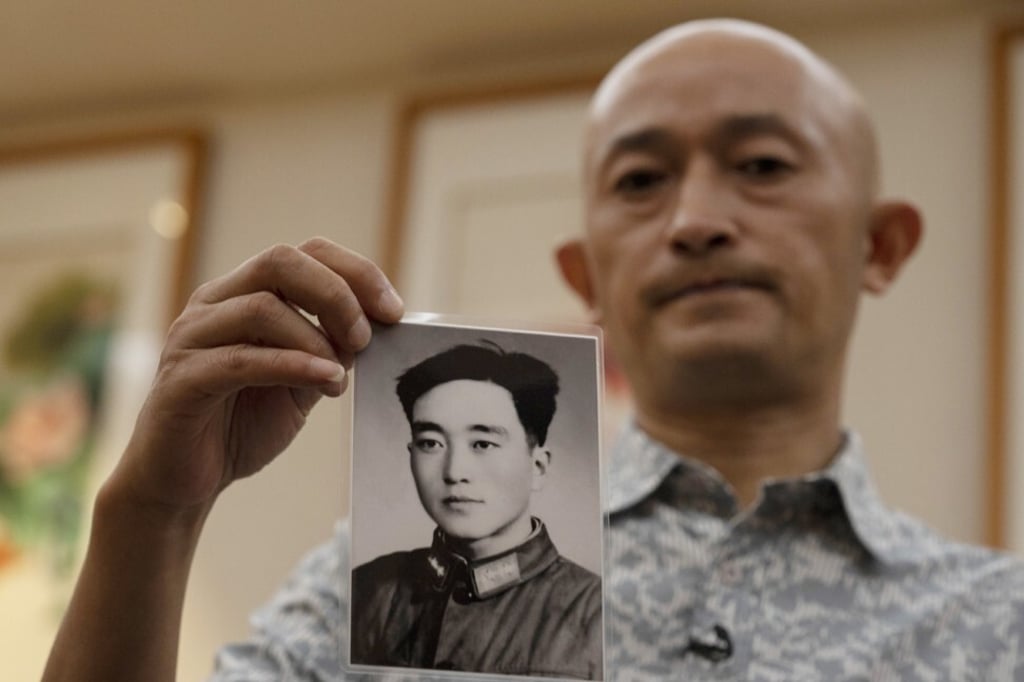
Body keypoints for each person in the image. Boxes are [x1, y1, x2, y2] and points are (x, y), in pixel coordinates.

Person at [42, 17, 1024, 682]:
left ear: (880, 244)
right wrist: (153, 513)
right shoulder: (383, 589)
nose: (693, 219)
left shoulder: (995, 624)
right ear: (585, 274)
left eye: (762, 165)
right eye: (640, 181)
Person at [350, 342, 602, 677]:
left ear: (538, 466)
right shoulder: (365, 589)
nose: (455, 472)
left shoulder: (598, 612)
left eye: (483, 444)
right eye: (430, 443)